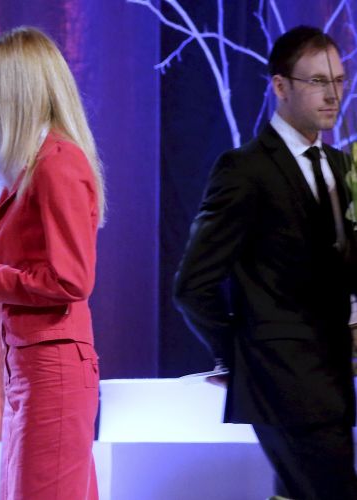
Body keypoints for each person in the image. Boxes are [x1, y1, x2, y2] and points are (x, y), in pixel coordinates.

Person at [174, 26, 357, 499]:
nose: (333, 94)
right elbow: (193, 285)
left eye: (339, 80)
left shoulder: (341, 167)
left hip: (334, 381)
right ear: (280, 86)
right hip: (282, 380)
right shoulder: (246, 169)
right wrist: (240, 354)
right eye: (318, 81)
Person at [0, 27, 104, 500]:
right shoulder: (34, 165)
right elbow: (35, 263)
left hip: (53, 366)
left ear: (14, 93)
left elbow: (70, 280)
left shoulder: (57, 163)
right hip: (30, 365)